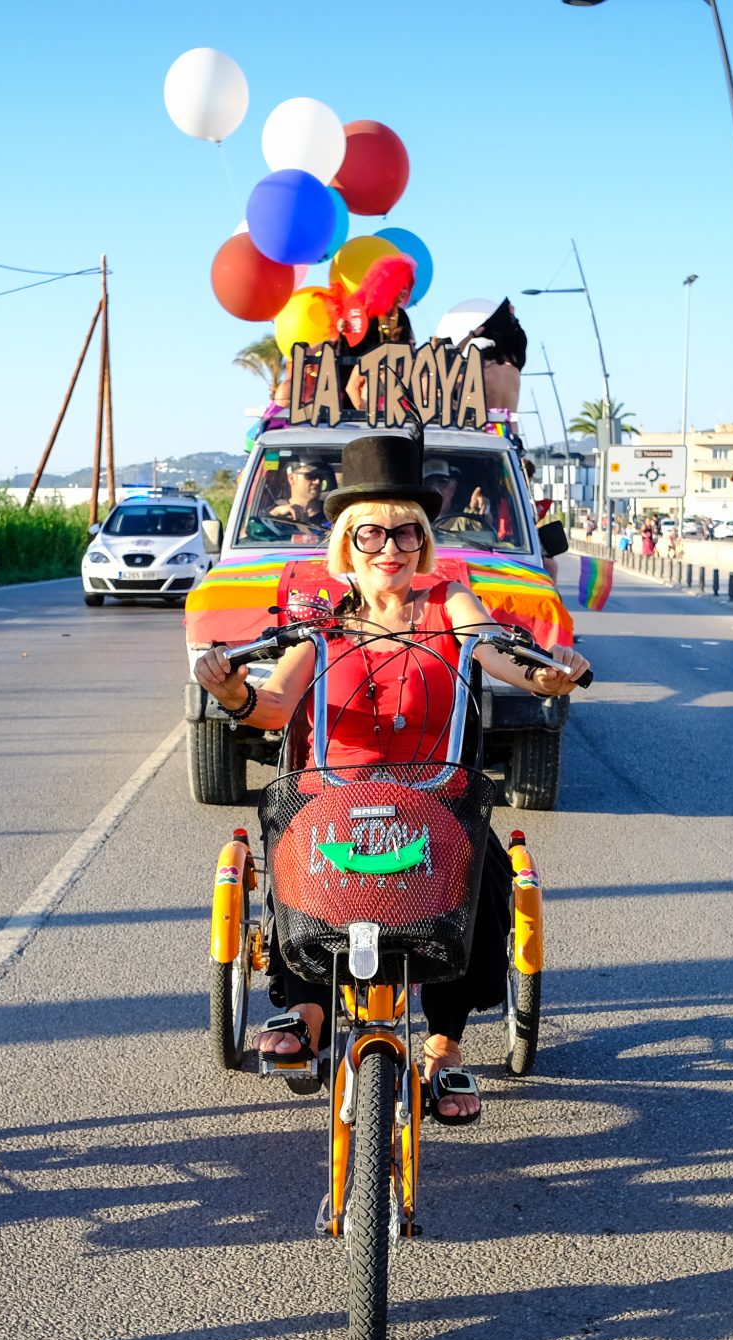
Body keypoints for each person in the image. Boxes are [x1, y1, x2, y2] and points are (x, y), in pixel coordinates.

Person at [190, 433, 588, 1123]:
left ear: (424, 540)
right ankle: (309, 1012)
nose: (391, 549)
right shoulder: (320, 624)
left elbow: (494, 648)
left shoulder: (449, 604)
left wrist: (545, 675)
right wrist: (229, 691)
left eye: (407, 531)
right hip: (332, 799)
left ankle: (444, 1045)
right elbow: (274, 705)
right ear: (347, 544)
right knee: (294, 865)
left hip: (433, 797)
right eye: (372, 533)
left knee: (483, 876)